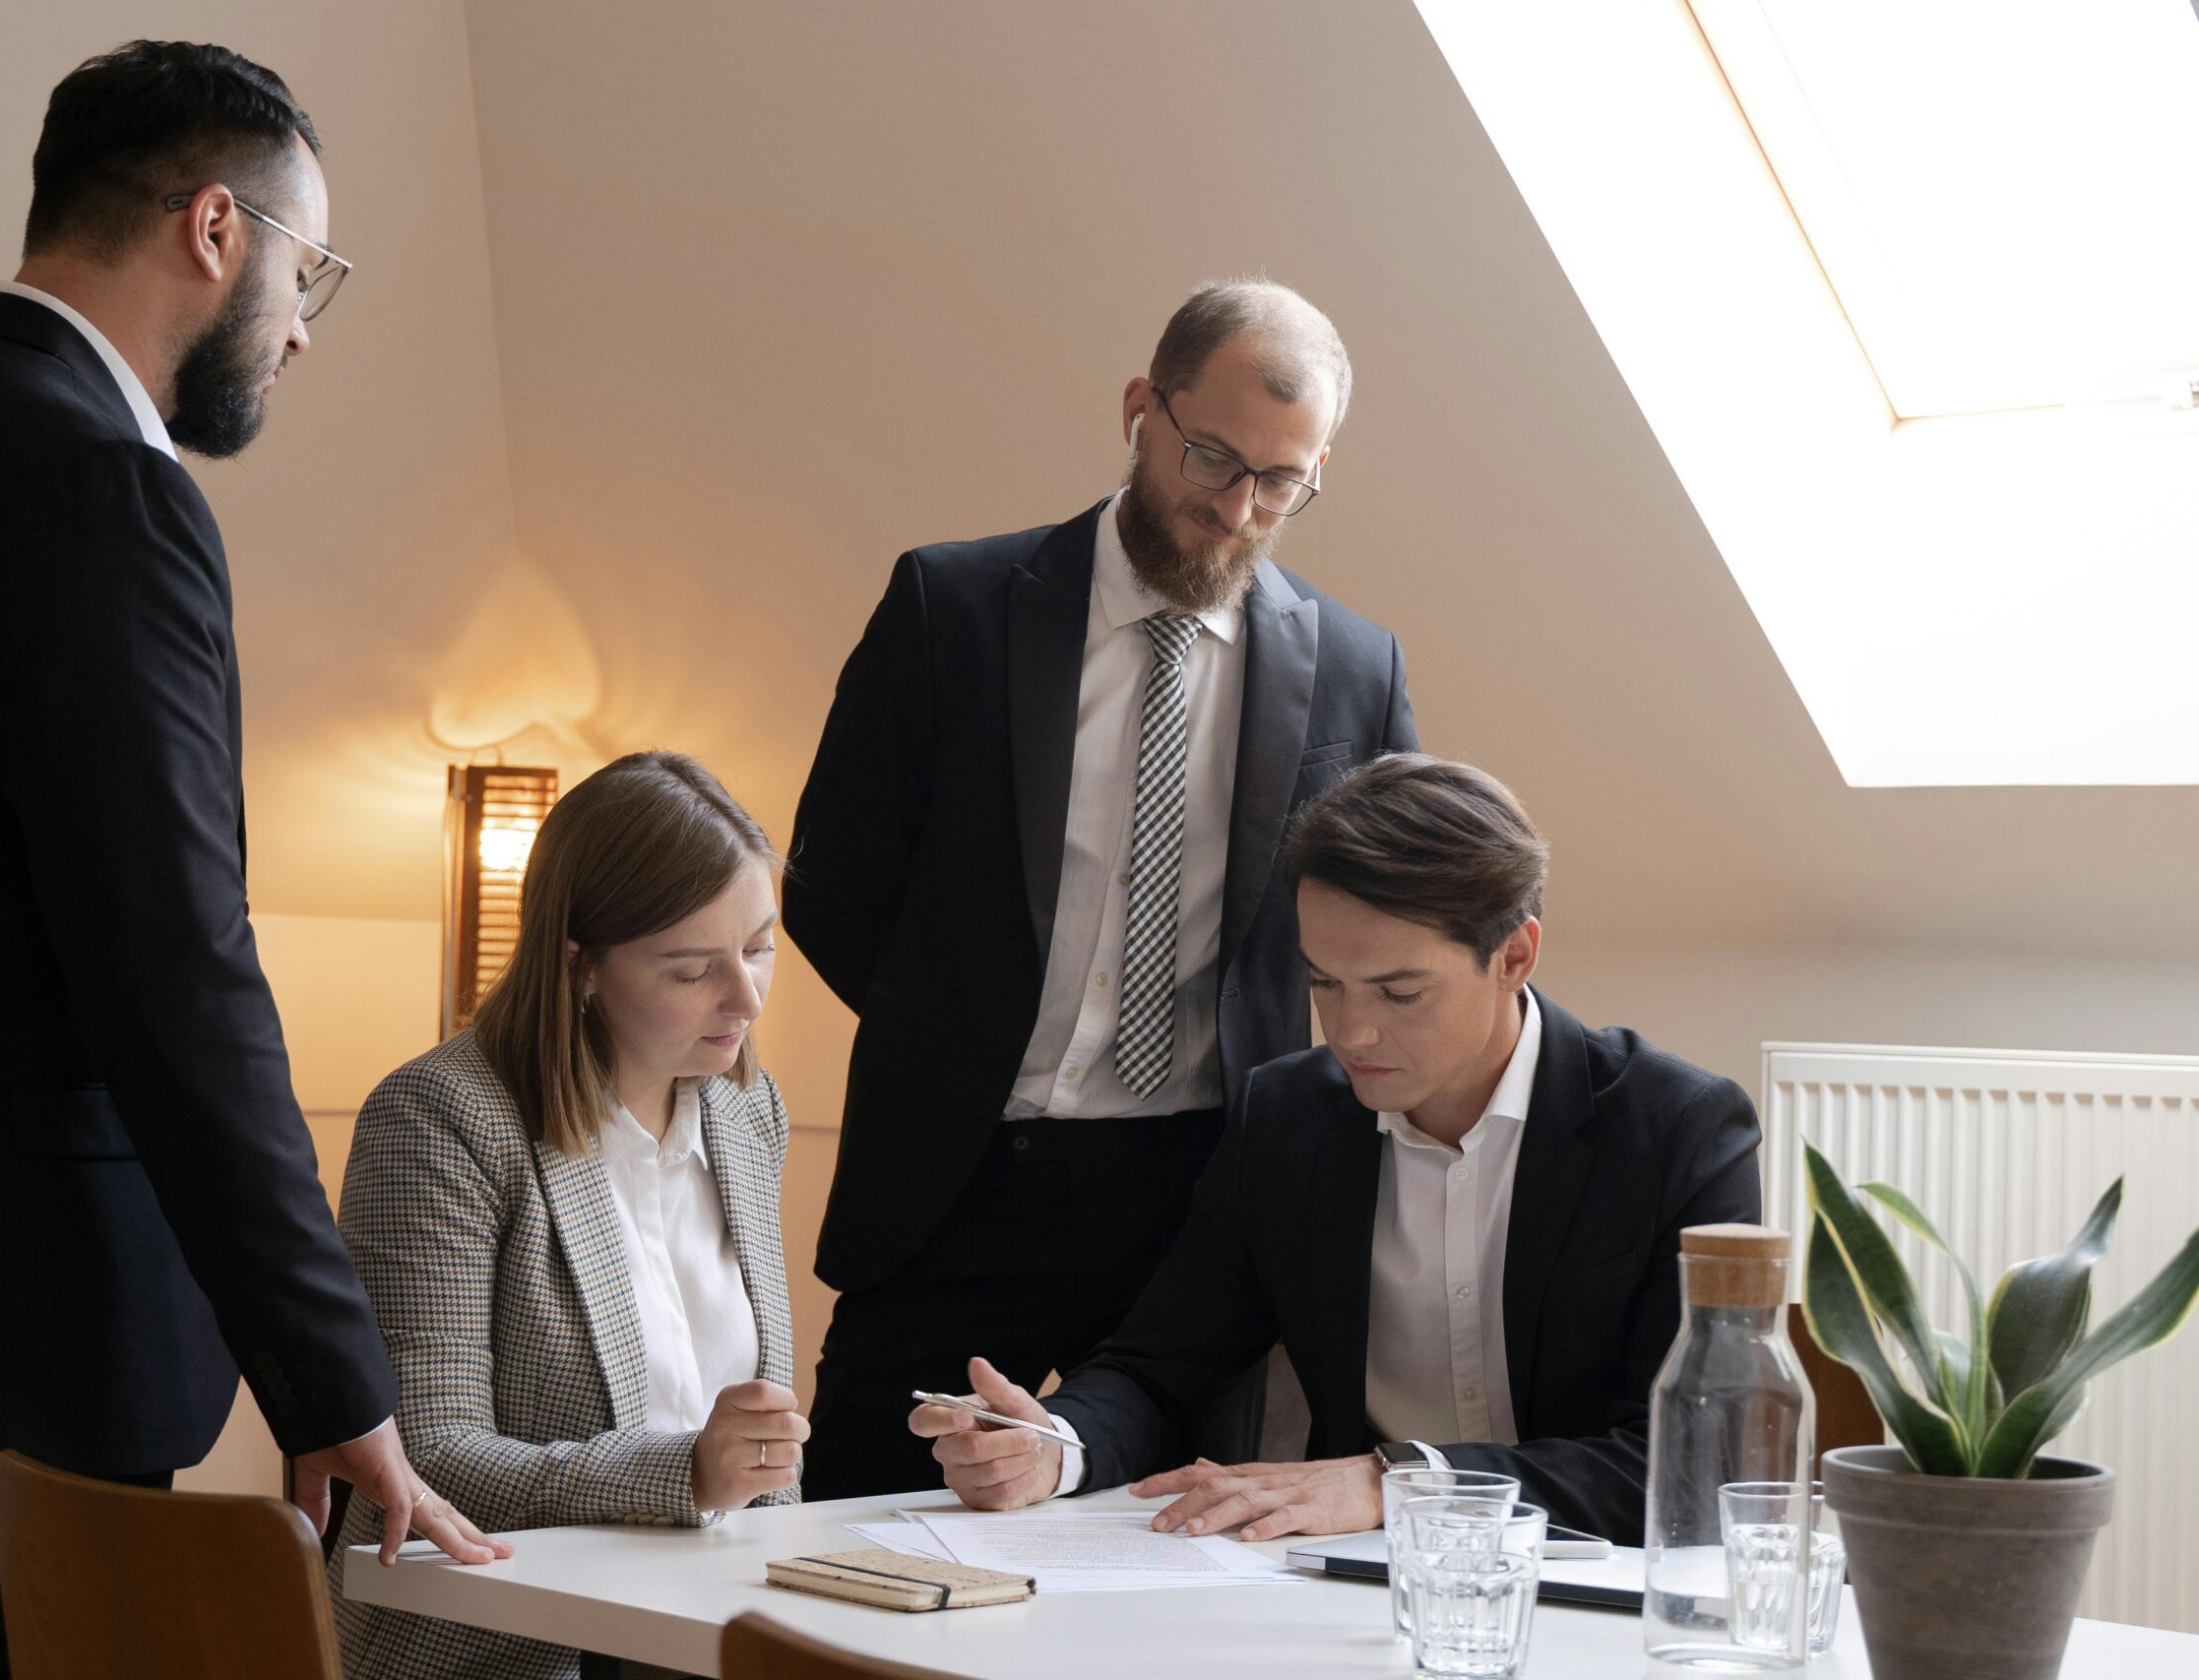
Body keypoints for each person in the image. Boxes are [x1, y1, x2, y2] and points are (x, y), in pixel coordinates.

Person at [0, 40, 502, 1678]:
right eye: (308, 272)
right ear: (217, 230)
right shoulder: (101, 487)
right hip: (5, 1350)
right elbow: (175, 964)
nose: (299, 331)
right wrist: (334, 1379)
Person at [786, 279, 1422, 1500]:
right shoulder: (953, 607)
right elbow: (833, 886)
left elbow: (1385, 920)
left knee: (1160, 1571)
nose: (1237, 509)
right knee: (870, 1543)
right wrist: (956, 1036)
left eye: (1281, 481)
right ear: (1141, 409)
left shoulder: (1354, 667)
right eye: (1211, 458)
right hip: (957, 1188)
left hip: (1204, 1202)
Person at [909, 754, 1763, 1545]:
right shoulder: (1287, 1119)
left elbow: (1692, 1460)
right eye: (1324, 982)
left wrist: (1400, 1483)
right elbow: (1163, 1367)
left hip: (1599, 1589)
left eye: (1400, 990)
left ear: (1514, 955)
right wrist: (1052, 1445)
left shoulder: (1676, 1129)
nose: (1351, 1031)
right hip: (1358, 1589)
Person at [329, 752, 806, 1679]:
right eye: (691, 970)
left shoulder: (750, 1110)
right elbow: (426, 1455)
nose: (745, 999)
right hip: (503, 1649)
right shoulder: (442, 1118)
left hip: (710, 1632)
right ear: (581, 967)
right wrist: (684, 1474)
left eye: (758, 947)